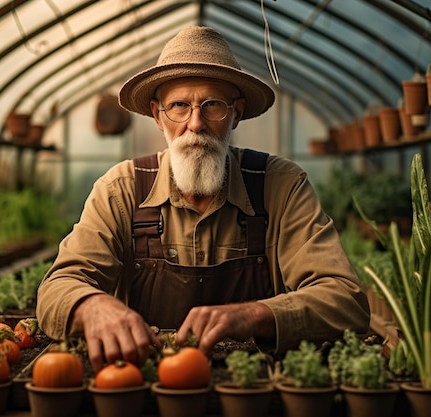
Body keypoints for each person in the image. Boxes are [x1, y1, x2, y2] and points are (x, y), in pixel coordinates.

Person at [36, 26, 370, 371]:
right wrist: (92, 306)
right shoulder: (122, 189)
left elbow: (345, 299)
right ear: (158, 115)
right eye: (179, 106)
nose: (195, 124)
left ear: (236, 113)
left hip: (252, 388)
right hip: (147, 385)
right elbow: (56, 289)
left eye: (212, 106)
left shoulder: (280, 186)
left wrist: (256, 313)